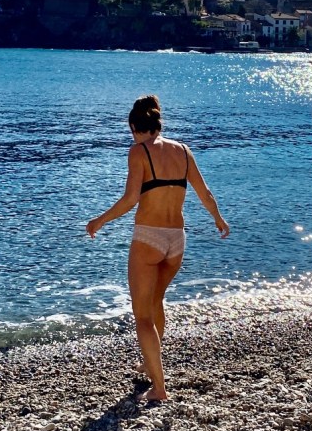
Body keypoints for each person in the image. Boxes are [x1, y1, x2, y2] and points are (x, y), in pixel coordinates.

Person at [86, 95, 230, 402]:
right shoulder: (183, 151)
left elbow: (130, 199)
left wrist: (99, 220)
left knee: (142, 316)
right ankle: (150, 365)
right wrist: (218, 218)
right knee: (155, 301)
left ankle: (160, 387)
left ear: (135, 127)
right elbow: (204, 192)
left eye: (131, 132)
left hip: (149, 239)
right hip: (177, 240)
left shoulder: (139, 152)